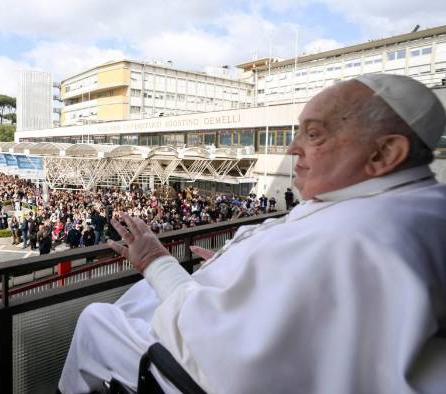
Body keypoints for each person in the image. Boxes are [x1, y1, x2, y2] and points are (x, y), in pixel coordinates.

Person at [58, 74, 446, 393]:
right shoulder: (412, 202)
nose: (293, 148)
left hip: (200, 373)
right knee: (143, 294)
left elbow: (221, 351)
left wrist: (154, 261)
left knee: (97, 319)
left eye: (313, 134)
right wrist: (239, 270)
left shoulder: (354, 234)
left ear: (384, 154)